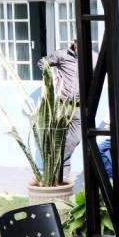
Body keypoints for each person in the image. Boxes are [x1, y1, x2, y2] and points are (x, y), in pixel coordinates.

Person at [39, 39, 96, 183]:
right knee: (58, 137)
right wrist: (51, 78)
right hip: (61, 105)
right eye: (77, 42)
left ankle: (57, 165)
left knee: (75, 138)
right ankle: (62, 176)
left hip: (79, 106)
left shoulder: (93, 57)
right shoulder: (62, 54)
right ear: (74, 42)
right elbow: (42, 63)